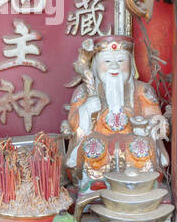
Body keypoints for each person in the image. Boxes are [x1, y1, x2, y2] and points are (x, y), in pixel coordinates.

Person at [65, 35, 169, 187]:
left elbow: (154, 117)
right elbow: (73, 126)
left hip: (134, 138)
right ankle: (95, 185)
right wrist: (86, 108)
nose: (114, 67)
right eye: (107, 61)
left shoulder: (143, 90)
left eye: (121, 61)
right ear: (96, 65)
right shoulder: (84, 91)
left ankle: (140, 186)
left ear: (131, 64)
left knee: (143, 147)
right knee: (92, 147)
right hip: (98, 138)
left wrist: (155, 122)